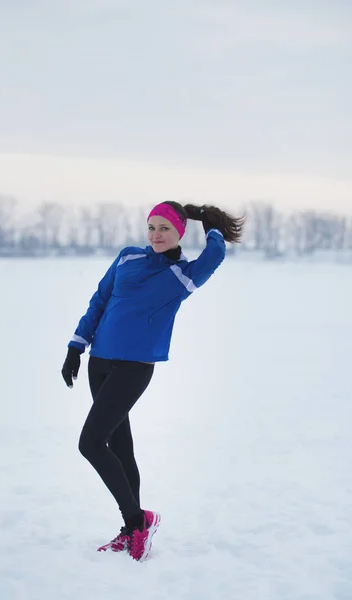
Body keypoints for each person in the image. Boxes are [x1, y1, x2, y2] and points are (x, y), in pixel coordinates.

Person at [61, 200, 245, 562]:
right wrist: (76, 345)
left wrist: (210, 225)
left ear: (179, 232)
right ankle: (131, 531)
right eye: (152, 227)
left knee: (91, 443)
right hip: (100, 361)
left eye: (165, 228)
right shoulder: (128, 258)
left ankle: (138, 520)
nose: (156, 235)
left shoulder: (183, 274)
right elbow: (100, 300)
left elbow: (216, 254)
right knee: (120, 445)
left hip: (134, 367)